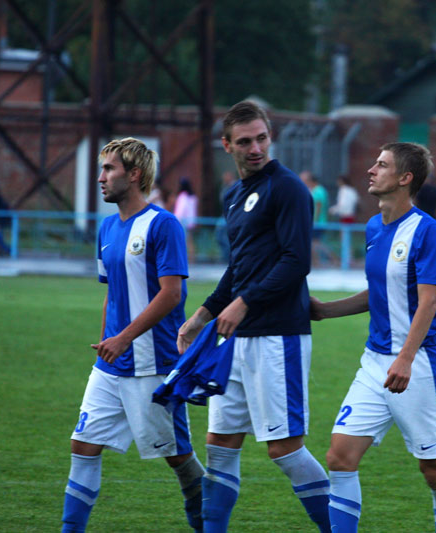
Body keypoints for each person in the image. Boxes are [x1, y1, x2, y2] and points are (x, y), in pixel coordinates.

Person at [175, 101, 330, 532]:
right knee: (220, 445)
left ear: (270, 137)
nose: (256, 148)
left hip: (278, 336)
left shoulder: (289, 189)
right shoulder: (233, 195)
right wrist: (201, 316)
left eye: (261, 138)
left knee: (284, 449)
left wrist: (244, 303)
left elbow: (296, 261)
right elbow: (239, 268)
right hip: (234, 341)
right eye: (245, 141)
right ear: (227, 145)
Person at [311, 142, 436, 532]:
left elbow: (429, 301)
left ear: (405, 178)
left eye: (381, 165)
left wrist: (406, 358)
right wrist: (326, 310)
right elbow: (380, 293)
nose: (371, 170)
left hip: (418, 364)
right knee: (339, 457)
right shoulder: (374, 227)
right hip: (374, 362)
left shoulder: (427, 231)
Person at [61, 138, 205, 532]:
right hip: (110, 365)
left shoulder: (163, 224)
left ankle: (207, 516)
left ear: (135, 174)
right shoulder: (107, 227)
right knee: (83, 446)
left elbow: (172, 294)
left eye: (109, 169)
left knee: (177, 457)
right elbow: (112, 292)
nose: (101, 177)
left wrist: (124, 337)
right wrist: (107, 340)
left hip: (152, 363)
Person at [302, 170, 333, 266]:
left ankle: (332, 258)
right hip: (316, 221)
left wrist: (313, 221)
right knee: (313, 243)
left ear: (310, 180)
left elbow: (318, 207)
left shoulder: (318, 191)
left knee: (315, 242)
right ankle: (316, 261)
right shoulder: (315, 190)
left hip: (318, 222)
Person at [174, 178, 198, 263]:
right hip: (191, 221)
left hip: (183, 221)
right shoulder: (193, 196)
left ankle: (184, 258)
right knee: (190, 240)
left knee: (182, 240)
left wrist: (176, 219)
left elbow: (180, 210)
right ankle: (192, 258)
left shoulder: (183, 196)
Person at [215, 171, 237, 262]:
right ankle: (226, 256)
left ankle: (229, 256)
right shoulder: (224, 187)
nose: (224, 179)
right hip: (224, 215)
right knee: (220, 235)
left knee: (226, 236)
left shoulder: (235, 187)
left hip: (231, 215)